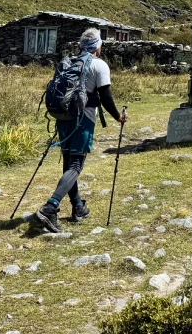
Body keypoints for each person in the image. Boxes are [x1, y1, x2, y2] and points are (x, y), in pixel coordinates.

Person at [36, 27, 127, 233]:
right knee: (76, 164)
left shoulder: (69, 62)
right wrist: (118, 117)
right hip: (82, 118)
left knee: (69, 161)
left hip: (62, 116)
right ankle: (51, 207)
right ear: (97, 46)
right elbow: (106, 97)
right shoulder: (99, 65)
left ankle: (78, 206)